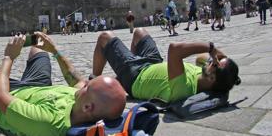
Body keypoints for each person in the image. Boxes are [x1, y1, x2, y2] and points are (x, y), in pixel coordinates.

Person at [0, 32, 126, 136]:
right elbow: (76, 79)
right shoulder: (84, 104)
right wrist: (54, 50)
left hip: (10, 92)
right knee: (37, 46)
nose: (85, 83)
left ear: (87, 107)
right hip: (40, 87)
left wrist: (9, 56)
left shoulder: (47, 122)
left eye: (87, 86)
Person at [92, 28, 240, 103]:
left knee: (104, 37)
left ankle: (93, 82)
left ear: (212, 77)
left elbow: (174, 49)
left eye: (215, 64)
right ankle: (129, 62)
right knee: (139, 32)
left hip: (136, 77)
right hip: (152, 63)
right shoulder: (203, 74)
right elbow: (202, 58)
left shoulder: (184, 88)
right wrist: (221, 59)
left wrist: (211, 47)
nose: (212, 61)